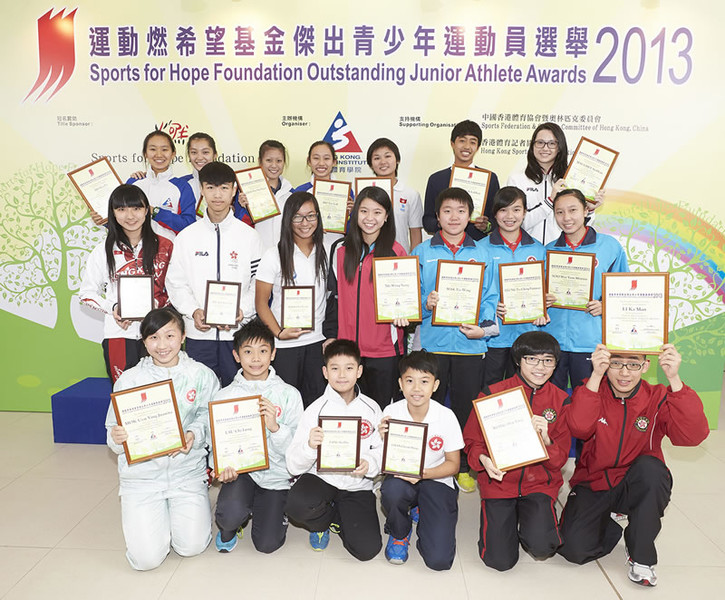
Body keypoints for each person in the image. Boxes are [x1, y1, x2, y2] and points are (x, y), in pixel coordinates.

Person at [558, 343, 709, 587]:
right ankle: (611, 522)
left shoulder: (658, 397)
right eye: (616, 363)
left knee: (652, 470)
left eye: (633, 364)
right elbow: (579, 427)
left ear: (645, 366)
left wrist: (674, 379)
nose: (624, 373)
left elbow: (692, 437)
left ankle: (641, 556)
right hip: (595, 482)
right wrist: (596, 376)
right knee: (574, 550)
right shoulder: (590, 390)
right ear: (606, 364)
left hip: (636, 482)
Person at [105, 307, 220, 570]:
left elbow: (209, 417)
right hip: (143, 478)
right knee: (145, 561)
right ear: (144, 342)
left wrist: (194, 434)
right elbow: (112, 430)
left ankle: (180, 511)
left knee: (191, 547)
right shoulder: (130, 380)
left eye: (169, 336)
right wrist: (118, 437)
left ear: (183, 336)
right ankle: (155, 518)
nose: (162, 345)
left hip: (186, 473)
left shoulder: (201, 375)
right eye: (153, 338)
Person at [412, 186, 498, 492]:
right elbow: (409, 297)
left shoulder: (484, 252)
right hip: (432, 344)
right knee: (428, 406)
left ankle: (461, 465)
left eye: (461, 211)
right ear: (437, 216)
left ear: (470, 216)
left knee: (465, 409)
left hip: (470, 345)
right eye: (447, 211)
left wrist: (483, 328)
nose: (454, 217)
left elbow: (490, 297)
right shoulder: (422, 252)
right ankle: (427, 461)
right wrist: (426, 302)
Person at [463, 331, 571, 571]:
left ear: (555, 364)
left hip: (538, 484)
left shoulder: (561, 401)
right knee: (499, 561)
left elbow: (560, 460)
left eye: (547, 360)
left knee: (543, 547)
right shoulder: (492, 394)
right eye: (532, 359)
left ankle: (531, 517)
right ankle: (507, 519)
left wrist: (547, 440)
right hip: (500, 484)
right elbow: (471, 441)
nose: (540, 367)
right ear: (518, 360)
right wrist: (483, 460)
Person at [165, 161, 263, 386]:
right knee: (199, 396)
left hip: (237, 336)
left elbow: (259, 284)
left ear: (234, 190)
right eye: (210, 187)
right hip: (199, 335)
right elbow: (176, 282)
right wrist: (193, 311)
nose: (217, 195)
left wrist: (242, 310)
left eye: (224, 188)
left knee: (238, 396)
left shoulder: (250, 237)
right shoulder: (186, 237)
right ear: (201, 189)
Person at [285, 339, 383, 561]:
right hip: (322, 479)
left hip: (357, 485)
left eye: (349, 368)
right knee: (295, 505)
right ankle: (321, 522)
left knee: (367, 550)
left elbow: (380, 448)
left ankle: (339, 516)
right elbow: (292, 464)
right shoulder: (314, 410)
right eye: (334, 368)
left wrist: (369, 463)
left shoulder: (371, 408)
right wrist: (310, 447)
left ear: (359, 371)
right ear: (325, 372)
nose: (341, 375)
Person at [212, 318, 303, 554]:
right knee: (229, 515)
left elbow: (297, 451)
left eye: (263, 351)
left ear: (273, 354)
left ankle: (263, 506)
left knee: (267, 544)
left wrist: (276, 428)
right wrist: (220, 468)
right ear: (236, 356)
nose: (255, 359)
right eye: (248, 351)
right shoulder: (224, 397)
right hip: (241, 474)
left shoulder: (289, 395)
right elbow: (215, 445)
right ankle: (231, 525)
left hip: (276, 476)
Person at [323, 186, 407, 409]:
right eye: (364, 211)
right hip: (347, 350)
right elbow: (334, 296)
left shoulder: (397, 253)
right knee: (347, 411)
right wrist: (331, 335)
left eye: (377, 212)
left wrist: (405, 314)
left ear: (387, 216)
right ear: (355, 213)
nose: (370, 218)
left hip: (384, 351)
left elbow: (405, 299)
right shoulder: (339, 249)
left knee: (379, 412)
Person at [378, 351, 462, 570]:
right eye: (410, 381)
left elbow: (453, 465)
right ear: (400, 384)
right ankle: (399, 532)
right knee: (392, 491)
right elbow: (380, 459)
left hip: (436, 479)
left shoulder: (446, 416)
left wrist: (423, 474)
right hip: (401, 478)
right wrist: (381, 439)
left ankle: (421, 507)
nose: (416, 388)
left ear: (435, 385)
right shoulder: (391, 412)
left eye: (424, 381)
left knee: (439, 561)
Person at [80, 184, 173, 382]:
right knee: (126, 396)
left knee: (163, 395)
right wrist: (114, 307)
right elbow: (86, 293)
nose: (130, 216)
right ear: (112, 213)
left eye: (136, 208)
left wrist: (155, 306)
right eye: (121, 209)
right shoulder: (102, 251)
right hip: (119, 334)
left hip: (160, 333)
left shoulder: (165, 247)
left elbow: (177, 289)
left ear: (147, 210)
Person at [545, 189, 629, 392]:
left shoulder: (609, 246)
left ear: (585, 210)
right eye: (559, 212)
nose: (566, 218)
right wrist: (541, 300)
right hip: (552, 339)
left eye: (572, 210)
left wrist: (605, 305)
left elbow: (624, 291)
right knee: (551, 401)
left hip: (589, 340)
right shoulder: (548, 249)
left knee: (588, 398)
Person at [255, 191, 328, 407]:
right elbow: (261, 302)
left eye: (311, 216)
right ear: (288, 219)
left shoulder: (325, 252)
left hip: (317, 342)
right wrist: (278, 332)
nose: (305, 223)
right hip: (285, 344)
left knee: (315, 405)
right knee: (285, 407)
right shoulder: (274, 255)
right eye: (298, 217)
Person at [479, 186, 547, 386]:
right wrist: (490, 307)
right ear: (495, 214)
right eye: (503, 210)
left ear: (525, 213)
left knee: (521, 392)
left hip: (527, 336)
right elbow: (474, 292)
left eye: (516, 209)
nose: (510, 216)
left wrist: (545, 303)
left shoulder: (538, 249)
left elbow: (544, 290)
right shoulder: (481, 248)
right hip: (493, 338)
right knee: (488, 390)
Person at [507, 122, 603, 245]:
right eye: (540, 143)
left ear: (559, 147)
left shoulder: (572, 181)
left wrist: (590, 210)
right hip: (526, 251)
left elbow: (580, 227)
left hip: (561, 250)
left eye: (552, 143)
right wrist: (550, 201)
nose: (545, 148)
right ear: (532, 146)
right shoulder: (517, 180)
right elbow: (516, 223)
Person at [422, 120, 500, 241]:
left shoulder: (490, 179)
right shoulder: (436, 179)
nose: (467, 147)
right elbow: (427, 220)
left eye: (472, 142)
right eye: (462, 141)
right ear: (452, 143)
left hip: (478, 247)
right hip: (444, 246)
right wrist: (442, 222)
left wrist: (487, 226)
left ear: (478, 147)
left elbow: (497, 219)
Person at [123, 130, 196, 239]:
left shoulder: (182, 187)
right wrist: (103, 220)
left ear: (173, 153)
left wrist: (156, 212)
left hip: (169, 252)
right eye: (153, 149)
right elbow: (120, 219)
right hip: (135, 251)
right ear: (145, 154)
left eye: (164, 149)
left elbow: (189, 225)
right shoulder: (133, 183)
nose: (159, 154)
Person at [366, 137, 423, 253]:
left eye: (387, 156)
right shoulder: (363, 193)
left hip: (399, 258)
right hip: (368, 258)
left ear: (397, 160)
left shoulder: (410, 194)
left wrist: (413, 261)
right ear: (371, 165)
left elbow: (415, 233)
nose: (383, 162)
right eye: (377, 158)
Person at [292, 140, 354, 246]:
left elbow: (351, 230)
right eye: (316, 158)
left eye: (326, 158)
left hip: (337, 246)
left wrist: (352, 213)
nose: (321, 163)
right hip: (306, 248)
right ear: (309, 161)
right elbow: (292, 224)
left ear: (334, 161)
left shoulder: (345, 191)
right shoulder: (300, 191)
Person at [243, 140, 294, 250]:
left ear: (284, 163)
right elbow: (240, 226)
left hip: (285, 255)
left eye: (279, 161)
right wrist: (243, 207)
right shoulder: (247, 192)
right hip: (257, 254)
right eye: (269, 160)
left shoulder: (291, 194)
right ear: (260, 162)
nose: (274, 165)